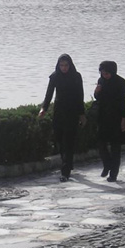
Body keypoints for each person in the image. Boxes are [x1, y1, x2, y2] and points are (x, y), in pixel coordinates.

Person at [38, 54, 86, 182]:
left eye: (66, 65)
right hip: (59, 111)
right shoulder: (54, 76)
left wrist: (81, 114)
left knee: (68, 141)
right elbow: (49, 94)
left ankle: (65, 171)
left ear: (70, 65)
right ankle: (67, 163)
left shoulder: (76, 76)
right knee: (59, 139)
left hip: (72, 112)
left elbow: (80, 95)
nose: (64, 68)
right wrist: (44, 108)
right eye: (61, 65)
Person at [93, 60, 125, 182]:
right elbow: (98, 98)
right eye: (102, 73)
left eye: (107, 73)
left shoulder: (120, 82)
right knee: (101, 143)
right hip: (103, 117)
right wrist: (96, 92)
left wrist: (124, 119)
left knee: (115, 147)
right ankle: (107, 164)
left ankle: (113, 173)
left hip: (116, 117)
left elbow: (124, 101)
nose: (104, 75)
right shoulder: (101, 81)